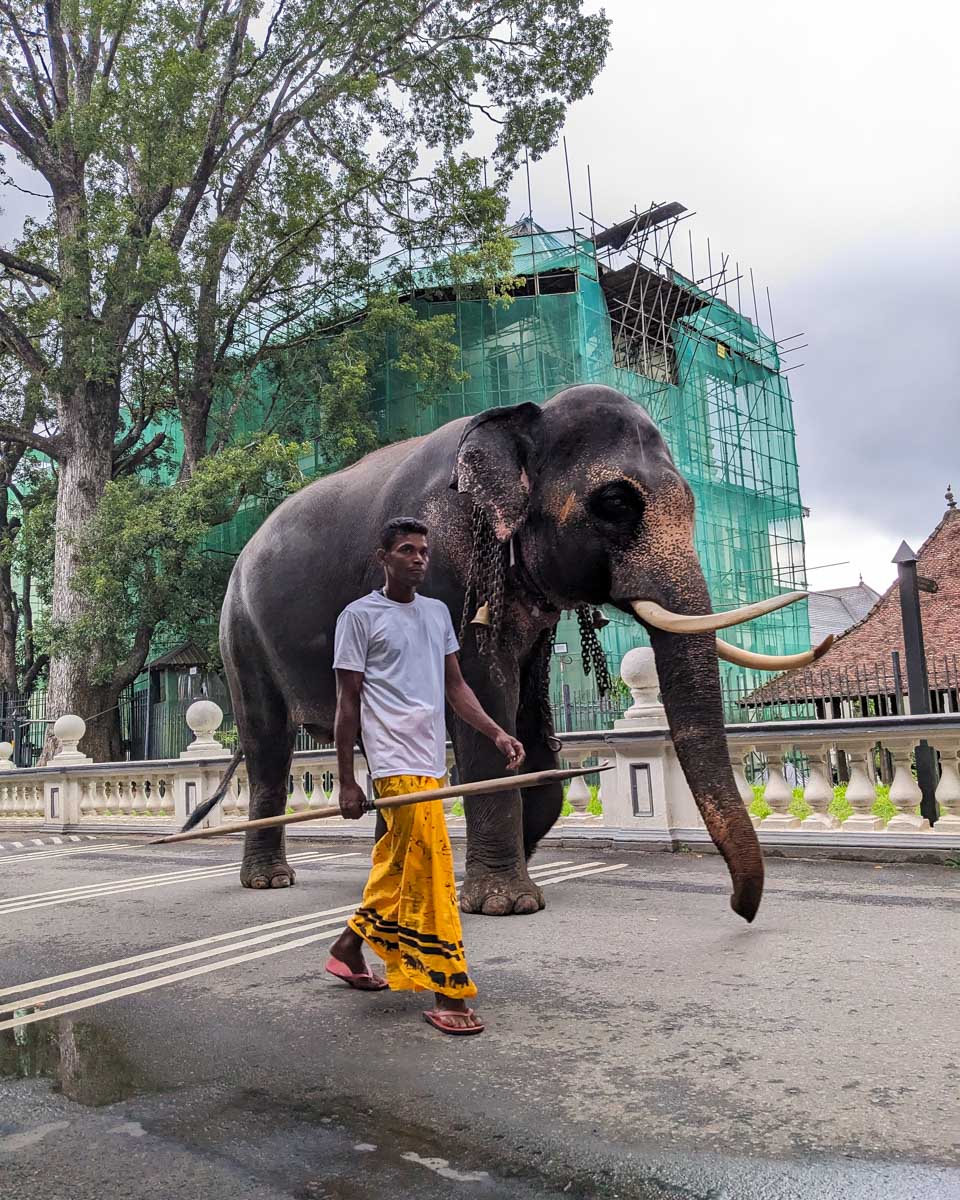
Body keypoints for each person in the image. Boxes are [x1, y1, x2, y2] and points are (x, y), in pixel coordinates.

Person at [325, 517, 525, 1035]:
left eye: (423, 551)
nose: (419, 558)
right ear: (383, 557)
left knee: (398, 867)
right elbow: (347, 703)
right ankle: (450, 988)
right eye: (407, 550)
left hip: (431, 763)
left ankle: (348, 950)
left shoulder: (437, 614)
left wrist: (497, 733)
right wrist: (348, 778)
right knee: (433, 873)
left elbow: (455, 688)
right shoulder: (358, 617)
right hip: (393, 764)